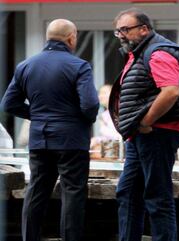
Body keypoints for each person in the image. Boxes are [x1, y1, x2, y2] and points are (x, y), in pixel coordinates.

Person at [0, 19, 99, 241]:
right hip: (72, 140)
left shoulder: (26, 65)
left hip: (39, 139)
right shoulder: (79, 66)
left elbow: (9, 104)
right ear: (71, 38)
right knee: (72, 192)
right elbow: (91, 105)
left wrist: (37, 116)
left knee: (36, 190)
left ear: (48, 37)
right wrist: (82, 120)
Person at [108, 8, 179, 241]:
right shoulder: (138, 53)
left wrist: (145, 121)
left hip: (157, 132)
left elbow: (171, 91)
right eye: (118, 31)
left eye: (125, 29)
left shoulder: (157, 53)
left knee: (157, 196)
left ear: (144, 29)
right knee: (128, 193)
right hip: (140, 135)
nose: (121, 35)